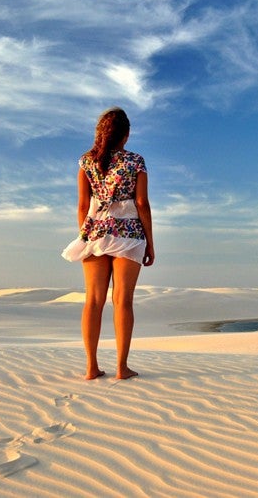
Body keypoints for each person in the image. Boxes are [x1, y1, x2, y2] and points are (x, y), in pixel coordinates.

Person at [61, 107, 154, 380]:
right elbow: (142, 203)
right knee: (123, 300)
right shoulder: (136, 161)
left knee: (93, 300)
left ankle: (91, 367)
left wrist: (86, 235)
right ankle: (122, 367)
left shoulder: (87, 161)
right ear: (126, 134)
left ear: (100, 133)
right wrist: (150, 243)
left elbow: (82, 206)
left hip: (95, 232)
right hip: (129, 235)